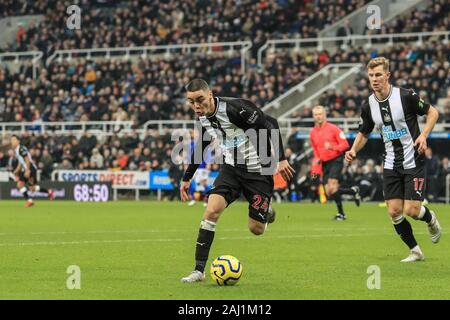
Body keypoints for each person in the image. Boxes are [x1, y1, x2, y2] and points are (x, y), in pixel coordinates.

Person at [179, 79, 295, 283]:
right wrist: (187, 178)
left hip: (259, 171)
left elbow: (271, 123)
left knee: (256, 229)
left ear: (210, 94)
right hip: (231, 169)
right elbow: (202, 146)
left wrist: (281, 159)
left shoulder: (236, 108)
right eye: (191, 102)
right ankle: (198, 270)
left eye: (200, 100)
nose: (196, 106)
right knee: (211, 211)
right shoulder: (203, 117)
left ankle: (266, 212)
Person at [345, 57, 441, 262]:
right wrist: (353, 150)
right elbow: (364, 133)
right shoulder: (368, 105)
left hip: (413, 159)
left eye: (378, 74)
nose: (374, 79)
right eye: (371, 75)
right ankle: (415, 250)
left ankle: (430, 218)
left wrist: (423, 135)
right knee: (394, 211)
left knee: (412, 210)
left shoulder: (406, 96)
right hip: (390, 162)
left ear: (388, 75)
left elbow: (433, 112)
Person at [310, 105, 361, 220]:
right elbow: (315, 148)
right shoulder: (313, 132)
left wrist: (332, 147)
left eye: (320, 114)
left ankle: (342, 214)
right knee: (329, 192)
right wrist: (317, 159)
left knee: (332, 187)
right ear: (313, 116)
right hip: (324, 163)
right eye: (316, 114)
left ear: (325, 115)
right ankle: (353, 191)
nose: (318, 117)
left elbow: (345, 145)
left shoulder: (334, 128)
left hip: (336, 159)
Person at [11, 135, 54, 207]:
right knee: (31, 188)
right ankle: (48, 192)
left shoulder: (21, 148)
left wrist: (27, 170)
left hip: (30, 168)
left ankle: (30, 200)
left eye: (14, 140)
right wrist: (17, 170)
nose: (12, 141)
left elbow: (27, 159)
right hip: (27, 168)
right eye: (12, 140)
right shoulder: (17, 149)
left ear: (18, 141)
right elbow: (21, 161)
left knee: (25, 186)